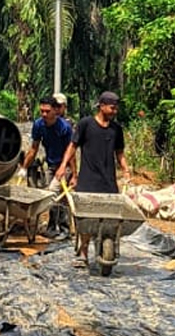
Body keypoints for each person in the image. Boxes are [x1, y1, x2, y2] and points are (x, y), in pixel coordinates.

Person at [54, 91, 132, 267]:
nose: (114, 111)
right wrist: (63, 166)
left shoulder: (116, 130)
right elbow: (72, 146)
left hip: (108, 182)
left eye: (116, 108)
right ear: (102, 106)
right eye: (112, 107)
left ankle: (106, 246)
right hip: (88, 180)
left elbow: (119, 153)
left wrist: (126, 170)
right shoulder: (86, 125)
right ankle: (83, 252)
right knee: (86, 219)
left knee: (109, 219)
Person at [20, 96, 74, 239]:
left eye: (47, 111)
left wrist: (73, 173)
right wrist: (24, 168)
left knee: (54, 194)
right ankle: (52, 227)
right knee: (51, 197)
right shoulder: (38, 125)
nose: (44, 114)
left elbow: (71, 151)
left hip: (65, 165)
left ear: (55, 111)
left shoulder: (64, 127)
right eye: (42, 111)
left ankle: (65, 229)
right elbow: (34, 148)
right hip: (51, 165)